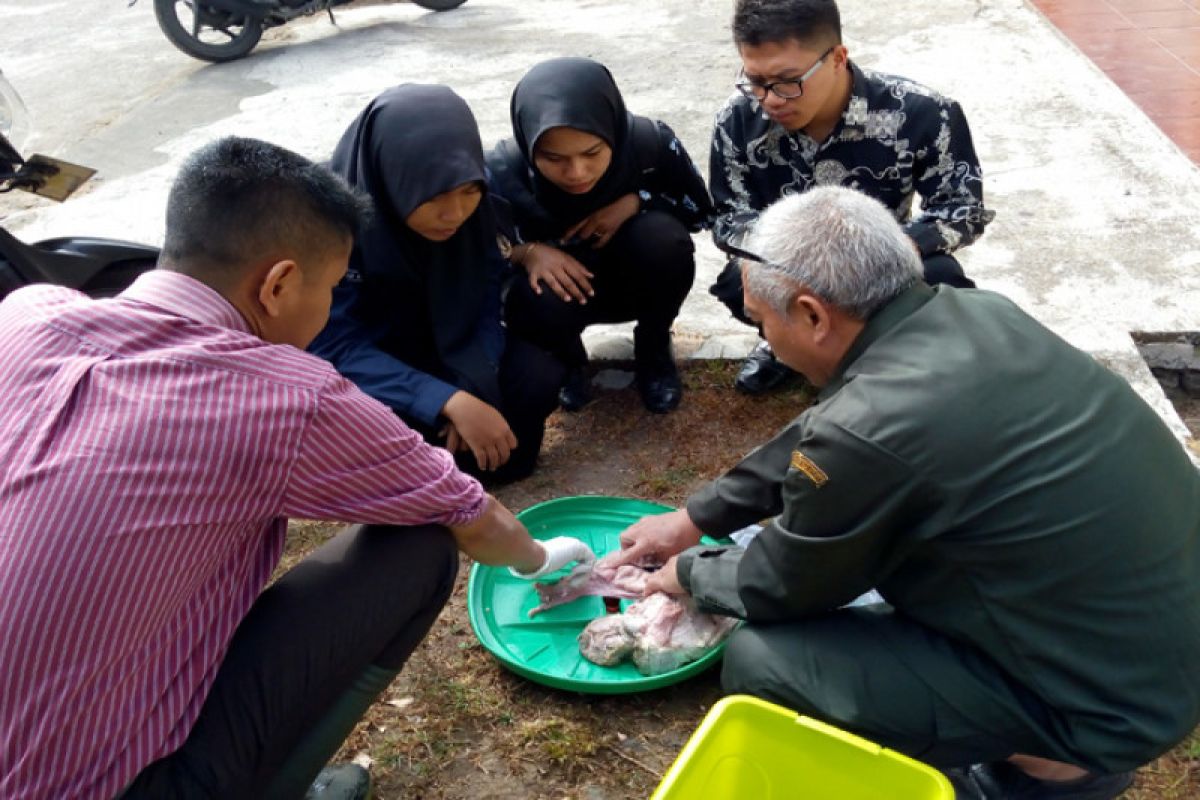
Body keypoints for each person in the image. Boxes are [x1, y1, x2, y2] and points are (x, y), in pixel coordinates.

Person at [0, 136, 593, 800]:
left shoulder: (25, 316)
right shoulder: (284, 396)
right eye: (332, 288)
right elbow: (468, 512)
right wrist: (542, 561)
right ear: (279, 284)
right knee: (420, 545)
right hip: (104, 787)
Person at [614, 186, 1200, 800]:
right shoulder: (977, 313)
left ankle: (1052, 769)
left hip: (1104, 703)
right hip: (1155, 639)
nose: (766, 338)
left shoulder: (868, 427)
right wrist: (697, 515)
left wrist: (688, 570)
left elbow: (784, 583)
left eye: (762, 322)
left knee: (766, 661)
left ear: (813, 315)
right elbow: (837, 428)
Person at [710, 0, 995, 395]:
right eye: (756, 80)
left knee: (943, 279)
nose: (771, 99)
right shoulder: (738, 118)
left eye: (788, 80)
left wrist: (898, 247)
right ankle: (789, 347)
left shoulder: (922, 112)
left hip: (881, 267)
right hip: (789, 271)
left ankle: (901, 365)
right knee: (735, 282)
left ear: (838, 58)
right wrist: (770, 260)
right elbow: (729, 215)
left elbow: (961, 209)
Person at [309, 84, 565, 485]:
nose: (455, 213)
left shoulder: (479, 195)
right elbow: (331, 345)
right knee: (368, 435)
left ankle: (448, 461)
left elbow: (484, 298)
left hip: (450, 347)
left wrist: (472, 384)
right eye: (433, 196)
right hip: (370, 368)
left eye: (467, 192)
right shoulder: (325, 221)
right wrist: (441, 400)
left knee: (537, 380)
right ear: (392, 177)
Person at [487, 57, 715, 414]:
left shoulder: (649, 145)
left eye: (592, 153)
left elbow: (702, 212)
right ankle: (568, 361)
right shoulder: (501, 172)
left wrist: (637, 201)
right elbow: (473, 252)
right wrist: (527, 253)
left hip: (633, 281)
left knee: (664, 240)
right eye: (553, 158)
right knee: (525, 294)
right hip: (556, 298)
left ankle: (654, 347)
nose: (576, 172)